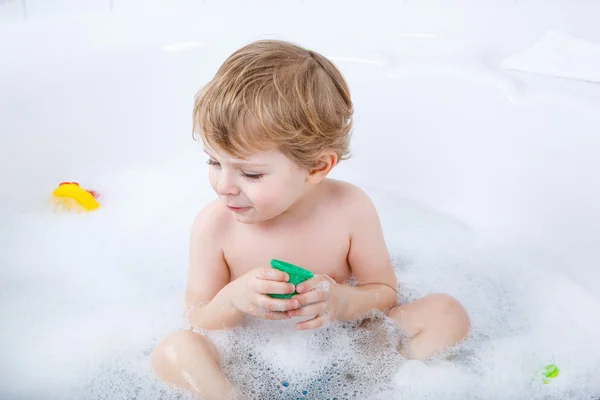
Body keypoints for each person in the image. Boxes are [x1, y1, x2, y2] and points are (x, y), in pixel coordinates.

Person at [151, 39, 470, 400]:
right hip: (246, 358)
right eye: (214, 162)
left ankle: (370, 386)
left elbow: (383, 293)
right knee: (174, 351)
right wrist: (234, 299)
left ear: (317, 167)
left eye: (251, 174)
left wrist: (342, 302)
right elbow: (198, 318)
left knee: (447, 313)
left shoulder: (350, 209)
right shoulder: (216, 226)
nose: (224, 187)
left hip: (350, 347)